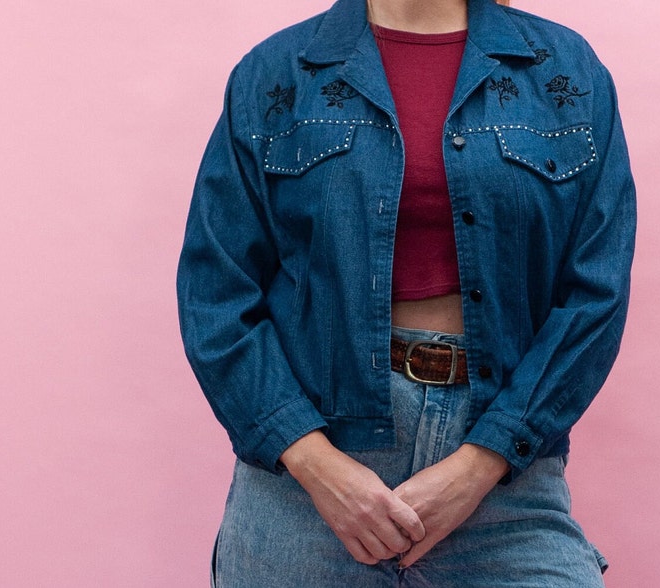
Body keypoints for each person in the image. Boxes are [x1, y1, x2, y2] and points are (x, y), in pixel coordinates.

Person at [177, 0, 636, 585]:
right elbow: (215, 290)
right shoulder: (276, 74)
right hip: (310, 479)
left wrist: (483, 462)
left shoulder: (565, 71)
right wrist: (318, 467)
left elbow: (597, 291)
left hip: (504, 473)